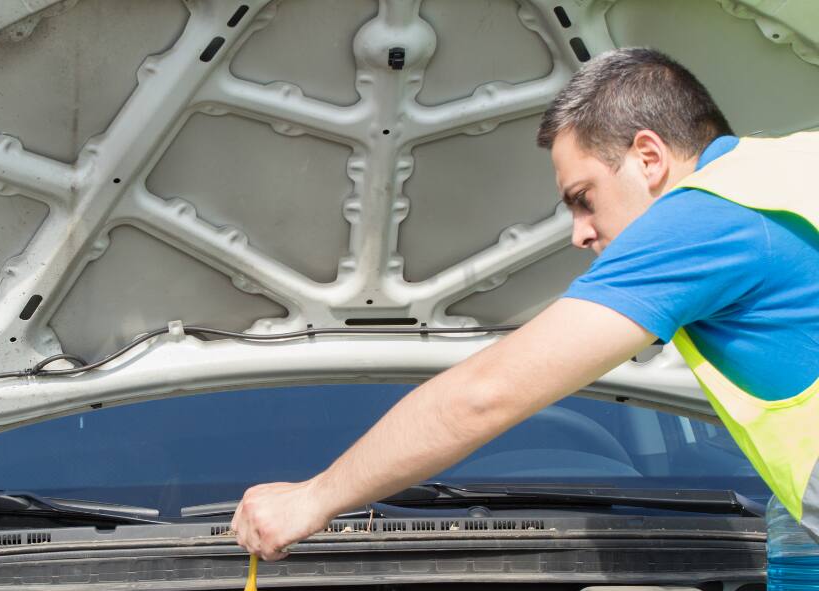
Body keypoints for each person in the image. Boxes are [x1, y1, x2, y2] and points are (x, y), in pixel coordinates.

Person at [232, 47, 819, 561]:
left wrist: (313, 499)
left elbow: (486, 395)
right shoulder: (793, 169)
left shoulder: (704, 220)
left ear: (649, 157)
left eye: (583, 198)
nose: (580, 234)